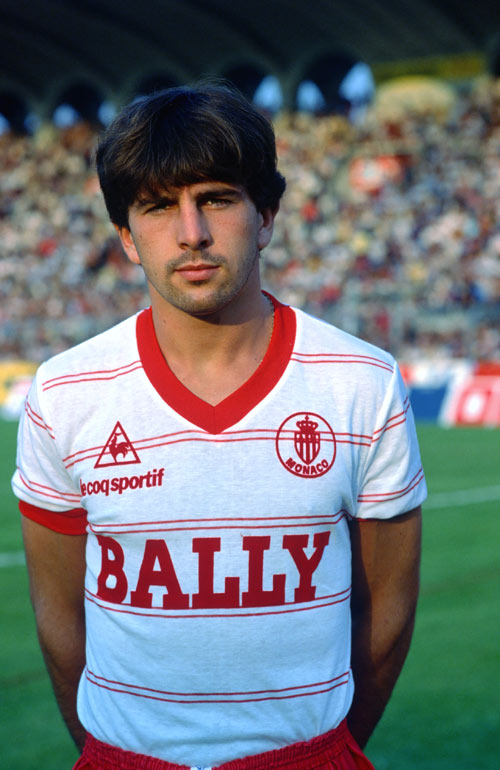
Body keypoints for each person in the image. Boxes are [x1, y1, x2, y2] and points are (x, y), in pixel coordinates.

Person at [13, 83, 426, 770]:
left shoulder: (362, 381)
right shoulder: (64, 392)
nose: (192, 233)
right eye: (158, 207)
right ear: (126, 237)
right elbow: (60, 619)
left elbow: (385, 613)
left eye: (216, 198)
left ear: (265, 216)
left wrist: (329, 750)